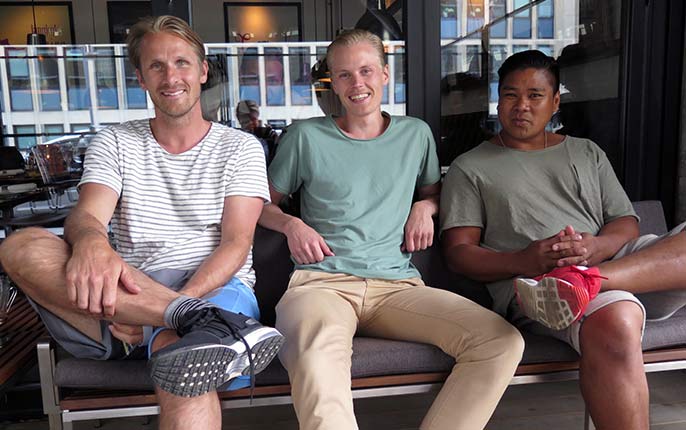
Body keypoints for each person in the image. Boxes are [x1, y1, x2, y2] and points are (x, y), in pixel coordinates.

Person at [0, 15, 283, 430]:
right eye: (157, 66)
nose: (171, 77)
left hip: (215, 288)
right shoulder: (114, 141)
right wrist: (91, 243)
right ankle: (195, 319)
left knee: (181, 356)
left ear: (203, 71)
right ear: (141, 78)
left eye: (182, 63)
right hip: (126, 294)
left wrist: (165, 313)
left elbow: (236, 244)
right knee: (20, 246)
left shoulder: (239, 147)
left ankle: (188, 319)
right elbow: (88, 215)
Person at [258, 29, 524, 430]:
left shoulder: (415, 134)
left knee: (500, 341)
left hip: (397, 286)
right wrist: (291, 224)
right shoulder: (305, 137)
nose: (356, 83)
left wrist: (425, 206)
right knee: (316, 355)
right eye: (344, 75)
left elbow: (435, 191)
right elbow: (260, 204)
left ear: (385, 74)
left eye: (366, 71)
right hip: (321, 285)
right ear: (333, 82)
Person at [440, 49, 686, 430]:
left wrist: (596, 248)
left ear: (555, 102)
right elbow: (459, 253)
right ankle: (583, 284)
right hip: (541, 286)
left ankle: (588, 280)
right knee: (617, 319)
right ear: (498, 101)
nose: (521, 106)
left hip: (615, 265)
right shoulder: (470, 167)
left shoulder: (586, 152)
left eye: (535, 95)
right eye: (510, 95)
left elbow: (625, 223)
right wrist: (526, 259)